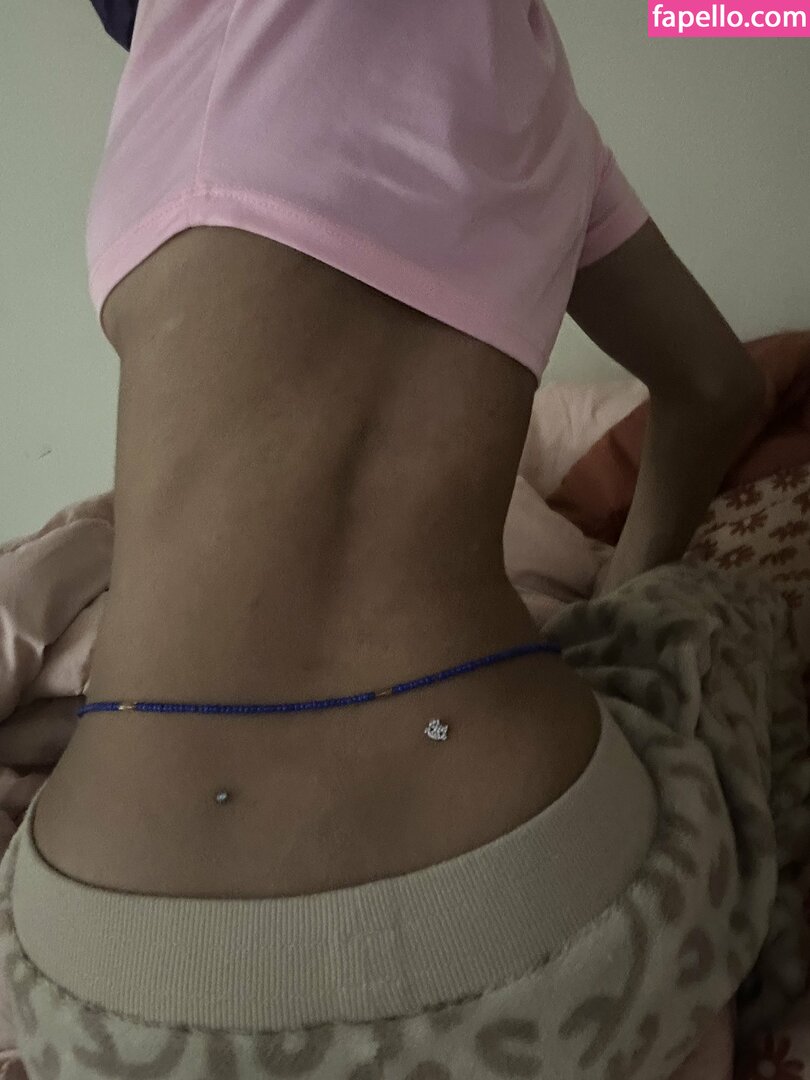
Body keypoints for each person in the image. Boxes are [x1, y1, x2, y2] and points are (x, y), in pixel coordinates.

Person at [3, 2, 791, 1078]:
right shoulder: (555, 129)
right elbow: (718, 387)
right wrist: (623, 596)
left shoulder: (193, 59)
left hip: (115, 1004)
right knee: (715, 623)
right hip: (573, 936)